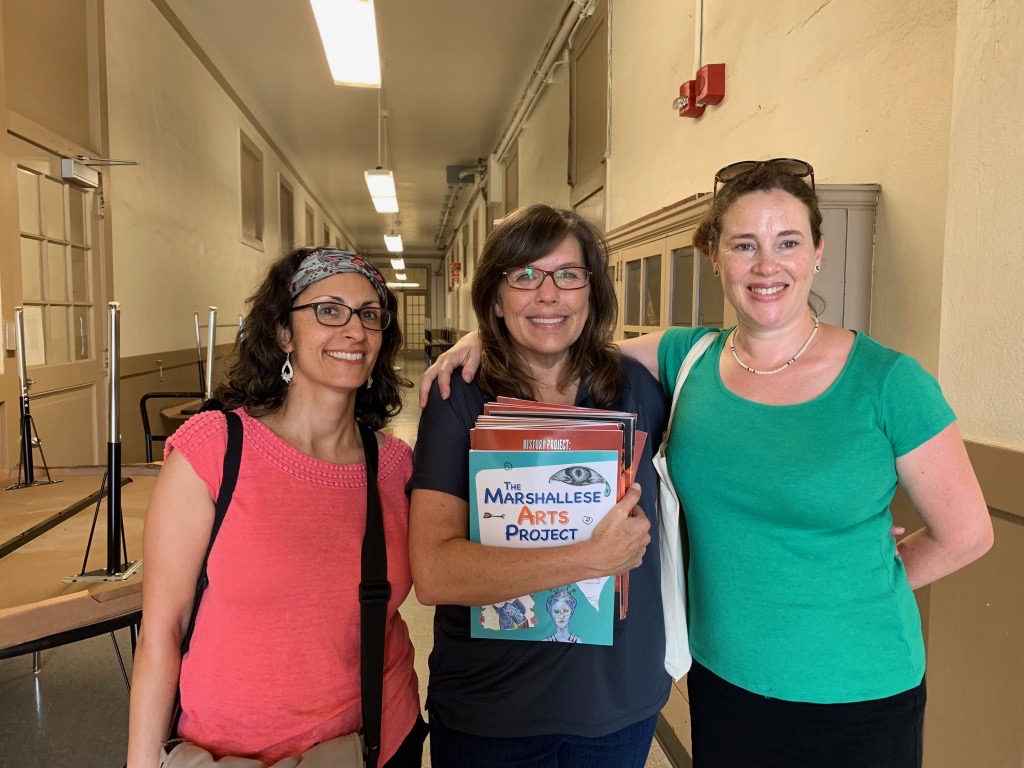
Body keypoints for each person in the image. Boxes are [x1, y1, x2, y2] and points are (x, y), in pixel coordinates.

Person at [421, 160, 994, 768]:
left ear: (818, 252)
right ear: (716, 258)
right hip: (723, 675)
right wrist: (482, 334)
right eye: (744, 244)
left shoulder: (889, 381)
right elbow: (563, 334)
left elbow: (967, 536)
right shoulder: (686, 360)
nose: (766, 265)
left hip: (857, 684)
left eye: (788, 243)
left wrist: (854, 578)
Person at [127, 248, 427, 767]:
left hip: (375, 741)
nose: (355, 331)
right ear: (283, 333)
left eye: (370, 314)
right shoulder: (215, 449)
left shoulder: (393, 466)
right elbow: (162, 631)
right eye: (328, 310)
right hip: (230, 750)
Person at [409, 204, 671, 767]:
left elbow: (729, 350)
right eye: (523, 276)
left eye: (568, 275)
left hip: (616, 707)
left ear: (592, 291)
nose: (547, 294)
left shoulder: (640, 389)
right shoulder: (461, 401)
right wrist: (590, 557)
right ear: (495, 297)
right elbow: (432, 574)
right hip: (493, 713)